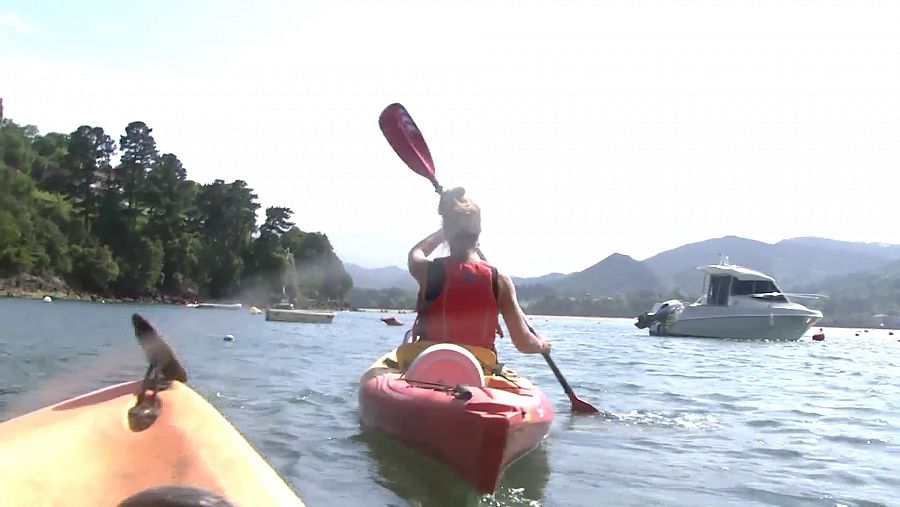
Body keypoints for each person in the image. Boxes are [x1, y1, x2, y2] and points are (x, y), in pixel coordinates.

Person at [407, 187, 551, 357]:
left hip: (430, 363)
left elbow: (416, 252)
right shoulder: (499, 280)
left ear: (448, 232)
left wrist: (445, 228)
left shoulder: (428, 271)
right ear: (478, 233)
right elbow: (524, 343)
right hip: (477, 369)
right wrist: (541, 344)